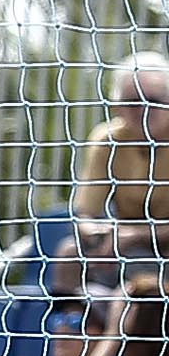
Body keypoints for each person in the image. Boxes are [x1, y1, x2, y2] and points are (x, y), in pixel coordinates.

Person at [57, 52, 169, 291]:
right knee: (70, 254)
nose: (144, 109)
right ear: (117, 106)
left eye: (154, 100)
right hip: (122, 246)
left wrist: (135, 235)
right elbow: (84, 214)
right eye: (133, 101)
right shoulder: (108, 140)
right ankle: (70, 323)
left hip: (159, 247)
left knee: (137, 268)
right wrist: (98, 235)